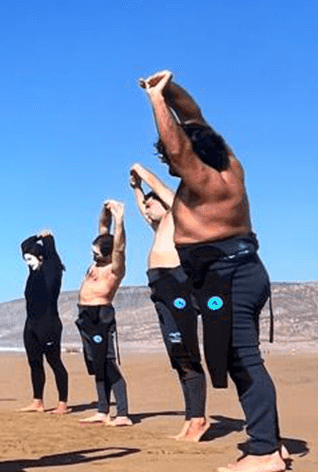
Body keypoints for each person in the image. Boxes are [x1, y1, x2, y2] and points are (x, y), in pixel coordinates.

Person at [140, 70, 285, 472]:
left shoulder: (204, 179)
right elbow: (194, 116)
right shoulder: (229, 162)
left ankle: (264, 451)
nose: (169, 164)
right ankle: (271, 442)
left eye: (170, 160)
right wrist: (168, 90)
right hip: (238, 272)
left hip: (228, 276)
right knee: (240, 358)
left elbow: (178, 142)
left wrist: (154, 102)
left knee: (242, 358)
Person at [130, 162, 208, 441]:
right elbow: (143, 210)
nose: (148, 205)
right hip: (160, 287)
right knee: (177, 354)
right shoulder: (160, 225)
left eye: (153, 202)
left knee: (186, 351)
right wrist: (137, 189)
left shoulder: (178, 214)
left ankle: (198, 419)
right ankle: (191, 418)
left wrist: (144, 173)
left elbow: (164, 191)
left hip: (176, 284)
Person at [75, 199, 131, 426]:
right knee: (95, 363)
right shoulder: (96, 263)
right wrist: (105, 210)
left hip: (101, 315)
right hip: (85, 315)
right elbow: (102, 228)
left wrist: (120, 219)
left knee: (107, 362)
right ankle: (102, 410)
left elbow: (118, 246)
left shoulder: (114, 268)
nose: (93, 256)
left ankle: (124, 413)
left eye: (96, 253)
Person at [17, 231, 70, 414]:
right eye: (26, 260)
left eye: (30, 259)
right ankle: (37, 402)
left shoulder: (51, 270)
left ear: (41, 257)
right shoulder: (33, 272)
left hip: (49, 324)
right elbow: (24, 244)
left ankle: (62, 403)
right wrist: (36, 236)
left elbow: (51, 253)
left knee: (54, 362)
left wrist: (47, 238)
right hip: (31, 324)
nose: (27, 263)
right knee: (34, 363)